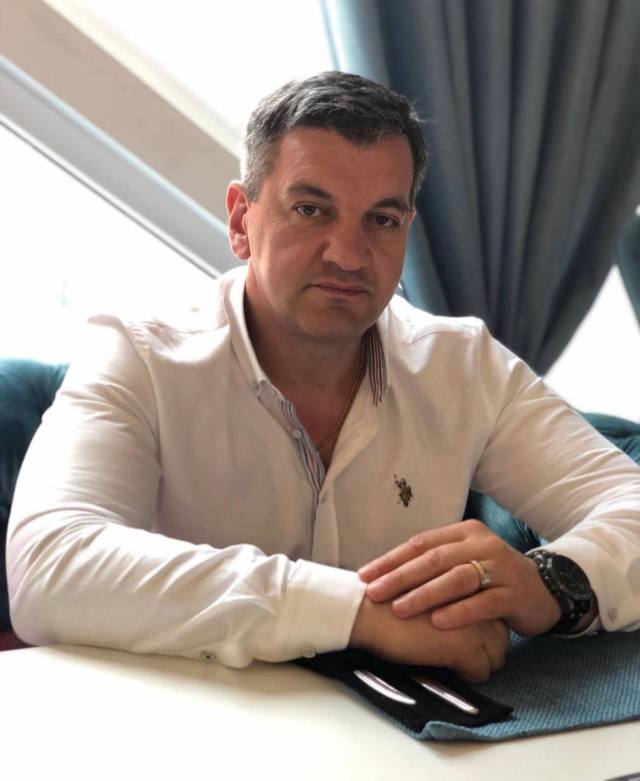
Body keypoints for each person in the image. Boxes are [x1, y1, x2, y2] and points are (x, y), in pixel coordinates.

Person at [7, 72, 640, 684]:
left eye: (381, 219)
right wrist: (355, 612)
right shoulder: (138, 354)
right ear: (241, 219)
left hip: (412, 735)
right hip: (187, 726)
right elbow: (48, 565)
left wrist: (553, 583)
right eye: (311, 210)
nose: (348, 254)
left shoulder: (462, 365)